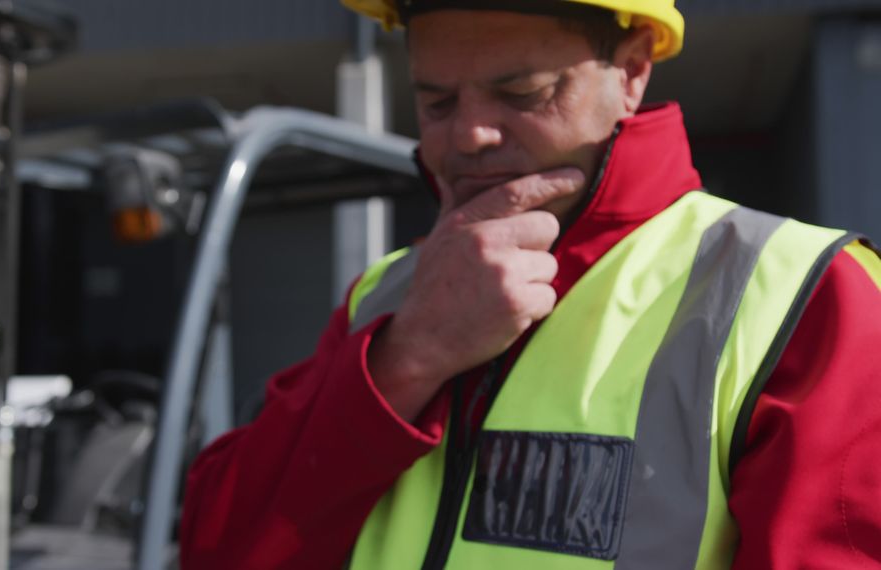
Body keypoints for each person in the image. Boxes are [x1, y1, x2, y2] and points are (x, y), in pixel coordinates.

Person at [179, 1, 881, 568]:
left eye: (522, 92)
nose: (472, 134)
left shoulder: (807, 296)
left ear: (632, 71)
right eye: (437, 102)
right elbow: (220, 547)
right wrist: (405, 360)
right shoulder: (389, 295)